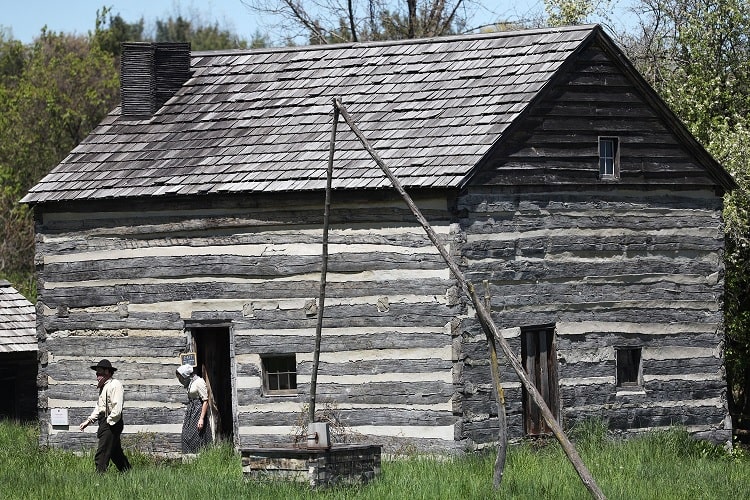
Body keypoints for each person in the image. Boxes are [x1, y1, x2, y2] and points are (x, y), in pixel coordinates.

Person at [78, 359, 131, 473]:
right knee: (115, 453)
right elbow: (99, 407)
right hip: (105, 421)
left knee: (102, 453)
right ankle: (129, 473)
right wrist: (88, 421)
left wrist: (109, 422)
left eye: (100, 373)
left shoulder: (115, 385)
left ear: (108, 372)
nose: (98, 376)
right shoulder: (104, 387)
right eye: (97, 373)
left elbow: (117, 407)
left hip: (112, 422)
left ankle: (99, 479)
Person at [176, 364, 212, 453]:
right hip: (191, 411)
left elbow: (205, 401)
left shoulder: (199, 381)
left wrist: (201, 419)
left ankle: (199, 455)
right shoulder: (190, 382)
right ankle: (189, 457)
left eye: (181, 376)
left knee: (196, 435)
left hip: (198, 410)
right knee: (186, 434)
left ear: (185, 374)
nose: (180, 379)